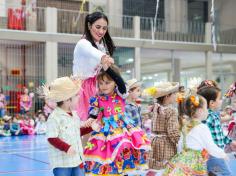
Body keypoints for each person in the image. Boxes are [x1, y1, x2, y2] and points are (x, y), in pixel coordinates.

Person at [83, 64, 151, 175]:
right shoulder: (97, 99)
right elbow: (94, 114)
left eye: (107, 82)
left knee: (124, 150)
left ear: (115, 82)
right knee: (107, 156)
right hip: (105, 130)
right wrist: (90, 119)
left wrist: (108, 69)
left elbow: (120, 81)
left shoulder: (121, 93)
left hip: (122, 128)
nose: (103, 86)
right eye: (101, 83)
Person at [39, 76, 93, 176]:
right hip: (62, 163)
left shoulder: (74, 114)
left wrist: (91, 127)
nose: (79, 97)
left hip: (77, 159)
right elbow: (52, 138)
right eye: (76, 95)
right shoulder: (55, 117)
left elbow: (77, 131)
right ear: (67, 100)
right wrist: (66, 148)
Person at [163, 94, 227, 175]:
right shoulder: (202, 127)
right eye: (206, 108)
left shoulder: (184, 125)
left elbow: (180, 144)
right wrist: (222, 154)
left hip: (181, 159)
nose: (207, 111)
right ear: (200, 111)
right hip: (194, 162)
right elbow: (210, 146)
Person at [73, 11, 115, 120]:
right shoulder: (83, 43)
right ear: (89, 25)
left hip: (96, 86)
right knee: (84, 124)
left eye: (104, 28)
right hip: (81, 87)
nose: (101, 31)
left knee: (97, 124)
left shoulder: (101, 45)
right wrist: (103, 57)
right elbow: (91, 51)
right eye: (98, 27)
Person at [197, 80, 236, 175]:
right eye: (219, 99)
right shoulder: (209, 117)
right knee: (227, 173)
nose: (221, 100)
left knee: (211, 172)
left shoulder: (212, 116)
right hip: (214, 153)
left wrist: (230, 142)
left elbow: (219, 135)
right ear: (212, 103)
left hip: (213, 153)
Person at [144, 82, 180, 170]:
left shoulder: (156, 107)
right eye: (174, 93)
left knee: (155, 167)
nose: (176, 95)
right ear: (167, 96)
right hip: (166, 144)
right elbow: (172, 131)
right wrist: (180, 141)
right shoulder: (171, 110)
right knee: (167, 168)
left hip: (154, 141)